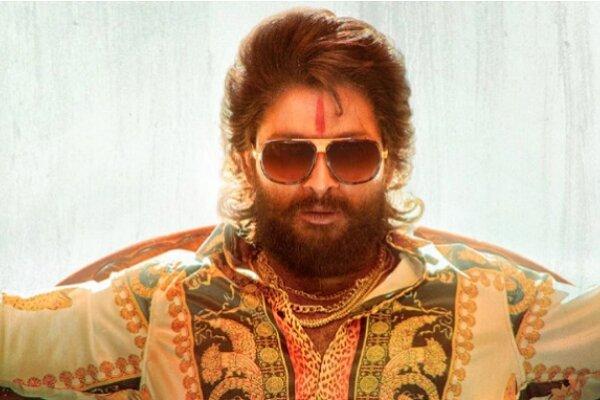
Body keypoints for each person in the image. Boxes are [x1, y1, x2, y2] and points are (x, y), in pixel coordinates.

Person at [1, 7, 599, 400]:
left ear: (391, 162)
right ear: (245, 162)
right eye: (289, 156)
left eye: (351, 156)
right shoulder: (163, 300)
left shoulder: (492, 300)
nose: (319, 184)